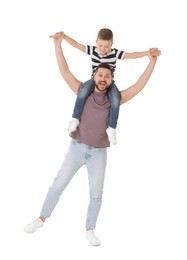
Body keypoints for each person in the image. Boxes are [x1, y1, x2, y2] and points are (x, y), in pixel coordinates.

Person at [24, 32, 161, 246]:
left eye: (107, 76)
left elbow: (138, 86)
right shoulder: (83, 91)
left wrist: (151, 62)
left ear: (111, 79)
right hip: (76, 148)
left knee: (96, 193)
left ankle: (90, 230)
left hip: (99, 153)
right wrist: (58, 44)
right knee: (58, 184)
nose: (103, 79)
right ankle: (41, 219)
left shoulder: (114, 99)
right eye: (100, 75)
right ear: (94, 76)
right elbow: (65, 71)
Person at [55, 28, 155, 145]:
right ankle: (75, 118)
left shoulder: (115, 54)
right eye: (101, 45)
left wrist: (148, 54)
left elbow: (132, 57)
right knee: (83, 91)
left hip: (100, 146)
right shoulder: (93, 51)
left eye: (106, 46)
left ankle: (112, 127)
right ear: (96, 42)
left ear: (111, 44)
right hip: (92, 81)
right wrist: (63, 38)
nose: (103, 49)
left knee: (116, 99)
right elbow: (75, 49)